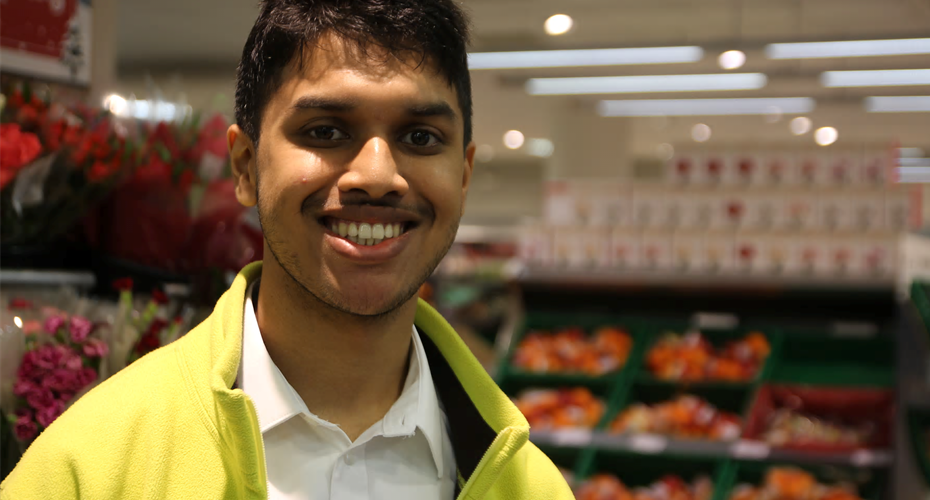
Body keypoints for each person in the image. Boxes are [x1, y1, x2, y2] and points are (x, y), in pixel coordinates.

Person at [0, 1, 573, 499]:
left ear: (464, 176)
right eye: (325, 130)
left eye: (420, 137)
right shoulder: (89, 470)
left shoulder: (528, 486)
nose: (376, 175)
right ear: (246, 167)